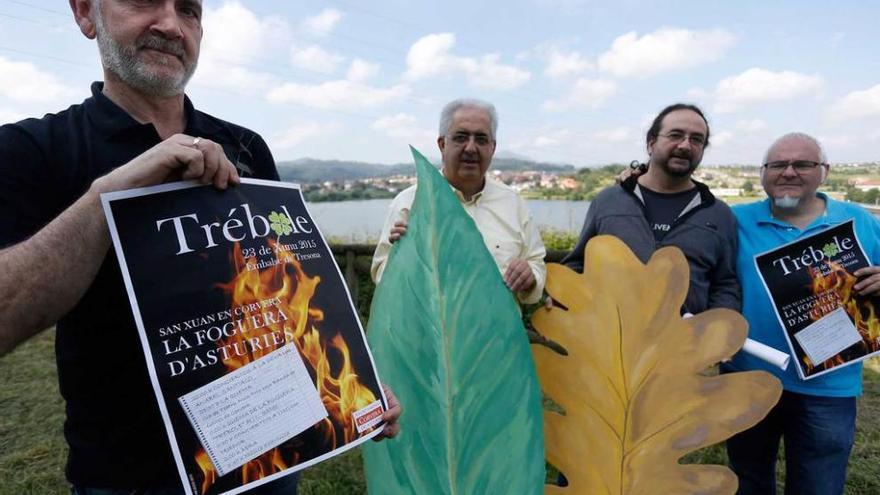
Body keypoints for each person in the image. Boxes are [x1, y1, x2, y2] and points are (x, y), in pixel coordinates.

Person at [0, 1, 400, 494]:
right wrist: (105, 198)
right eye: (144, 1)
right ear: (86, 13)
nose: (170, 25)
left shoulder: (245, 146)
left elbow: (283, 298)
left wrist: (354, 379)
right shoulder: (32, 149)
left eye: (188, 10)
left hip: (267, 460)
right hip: (132, 479)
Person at [723, 133, 880, 495]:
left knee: (819, 485)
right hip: (748, 378)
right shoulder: (733, 221)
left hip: (830, 386)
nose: (789, 172)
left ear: (823, 171)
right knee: (747, 480)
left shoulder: (859, 221)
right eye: (778, 164)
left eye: (803, 164)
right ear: (762, 173)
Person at [560, 103, 740, 314]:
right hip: (607, 342)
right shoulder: (609, 201)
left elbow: (726, 284)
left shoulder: (719, 214)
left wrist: (716, 332)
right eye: (675, 135)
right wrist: (563, 297)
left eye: (696, 139)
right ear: (651, 142)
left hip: (684, 345)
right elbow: (578, 264)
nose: (685, 145)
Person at [371, 98, 547, 304]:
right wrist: (405, 257)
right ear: (442, 144)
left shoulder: (513, 204)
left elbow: (536, 263)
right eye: (461, 137)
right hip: (428, 336)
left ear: (493, 147)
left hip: (498, 336)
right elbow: (381, 275)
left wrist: (530, 277)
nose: (471, 148)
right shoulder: (409, 203)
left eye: (481, 139)